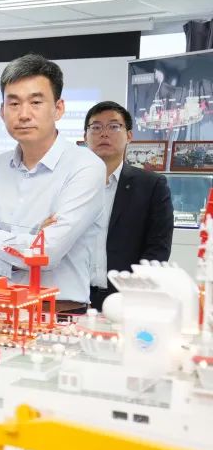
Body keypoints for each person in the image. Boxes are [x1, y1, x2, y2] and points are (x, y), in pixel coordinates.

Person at [0, 54, 103, 313]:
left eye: (36, 102)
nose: (24, 114)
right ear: (2, 111)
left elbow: (47, 253)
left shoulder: (85, 167)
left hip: (57, 310)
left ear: (58, 108)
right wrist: (19, 256)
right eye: (14, 103)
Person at [83, 101, 173, 310]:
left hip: (126, 299)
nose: (104, 133)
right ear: (85, 136)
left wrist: (135, 294)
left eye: (114, 126)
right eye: (96, 127)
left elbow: (158, 249)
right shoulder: (69, 185)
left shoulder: (152, 185)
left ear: (129, 135)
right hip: (73, 296)